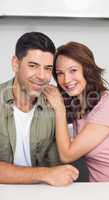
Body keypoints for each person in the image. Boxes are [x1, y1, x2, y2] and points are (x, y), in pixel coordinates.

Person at [43, 41, 109, 182]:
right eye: (60, 73)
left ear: (87, 70)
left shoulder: (108, 104)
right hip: (99, 190)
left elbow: (67, 155)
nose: (66, 80)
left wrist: (59, 107)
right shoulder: (77, 106)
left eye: (73, 70)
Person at [0, 32, 79, 186]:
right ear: (15, 64)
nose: (42, 76)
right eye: (33, 66)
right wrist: (45, 174)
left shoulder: (56, 102)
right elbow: (51, 173)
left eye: (48, 68)